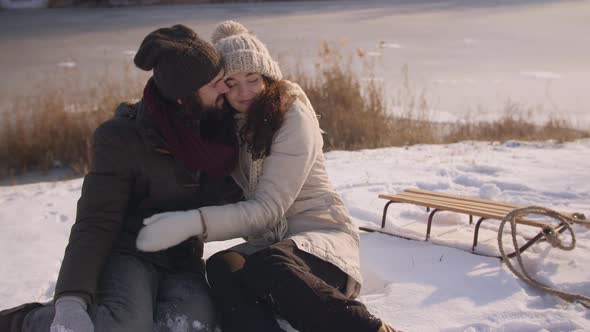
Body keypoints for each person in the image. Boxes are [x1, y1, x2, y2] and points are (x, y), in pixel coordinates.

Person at [136, 21, 398, 332]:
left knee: (267, 264)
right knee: (223, 266)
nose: (244, 92)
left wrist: (191, 224)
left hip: (321, 245)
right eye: (232, 82)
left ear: (268, 76)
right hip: (274, 248)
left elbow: (267, 209)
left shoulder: (291, 114)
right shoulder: (228, 125)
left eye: (252, 79)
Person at [0, 24, 242, 332]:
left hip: (182, 260)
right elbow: (96, 221)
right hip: (128, 253)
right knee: (124, 325)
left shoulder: (218, 130)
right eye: (215, 84)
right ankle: (23, 321)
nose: (226, 89)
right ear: (184, 98)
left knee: (189, 325)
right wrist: (71, 299)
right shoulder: (121, 138)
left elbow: (245, 198)